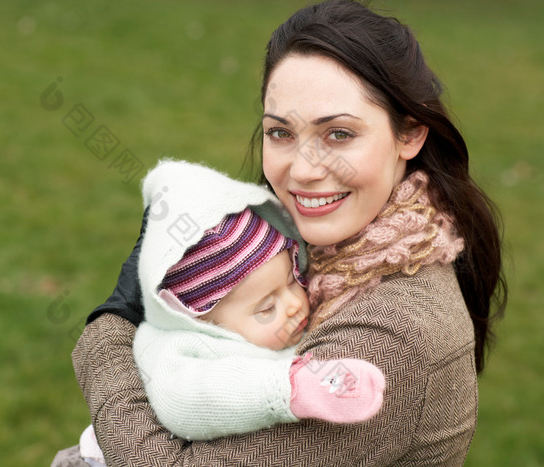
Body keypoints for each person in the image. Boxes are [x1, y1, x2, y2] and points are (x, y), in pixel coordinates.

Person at [71, 0, 507, 465]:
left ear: (410, 136)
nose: (302, 169)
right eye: (280, 133)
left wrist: (110, 330)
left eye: (339, 134)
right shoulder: (308, 251)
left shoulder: (392, 337)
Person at [57, 160, 385, 467]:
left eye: (292, 280)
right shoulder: (173, 347)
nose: (294, 304)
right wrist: (288, 388)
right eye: (266, 308)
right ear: (200, 318)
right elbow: (184, 399)